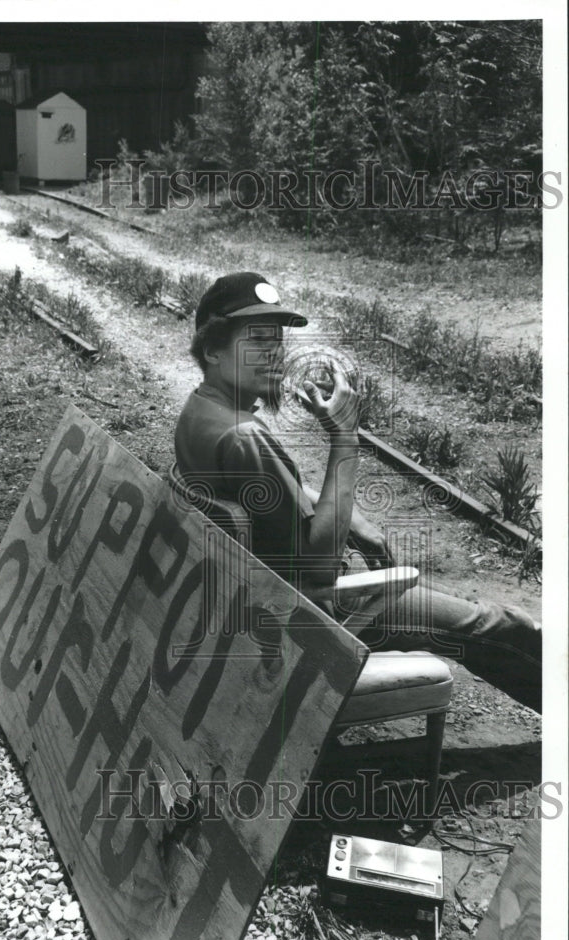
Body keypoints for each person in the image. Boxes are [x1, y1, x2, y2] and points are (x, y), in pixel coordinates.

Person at [174, 272, 542, 713]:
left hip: (259, 594)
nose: (274, 353)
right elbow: (319, 568)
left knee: (453, 601)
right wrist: (344, 438)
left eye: (277, 340)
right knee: (502, 625)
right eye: (256, 339)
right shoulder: (243, 437)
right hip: (319, 611)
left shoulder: (201, 412)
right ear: (213, 349)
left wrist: (355, 522)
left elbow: (270, 492)